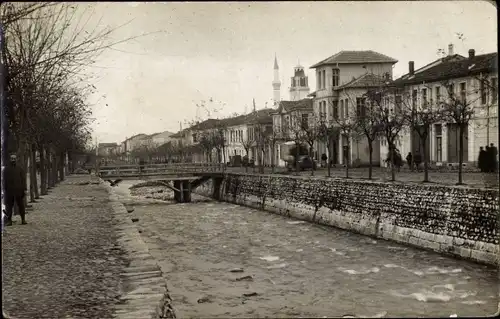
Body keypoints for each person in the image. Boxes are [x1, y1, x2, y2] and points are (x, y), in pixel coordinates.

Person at [4, 154, 27, 226]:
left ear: (16, 159)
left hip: (19, 190)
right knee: (9, 206)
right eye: (12, 158)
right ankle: (9, 220)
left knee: (21, 205)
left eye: (14, 158)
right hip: (9, 191)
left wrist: (24, 189)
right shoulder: (6, 169)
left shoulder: (20, 168)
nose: (13, 160)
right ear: (10, 159)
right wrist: (5, 189)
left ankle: (23, 219)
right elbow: (4, 180)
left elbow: (23, 179)